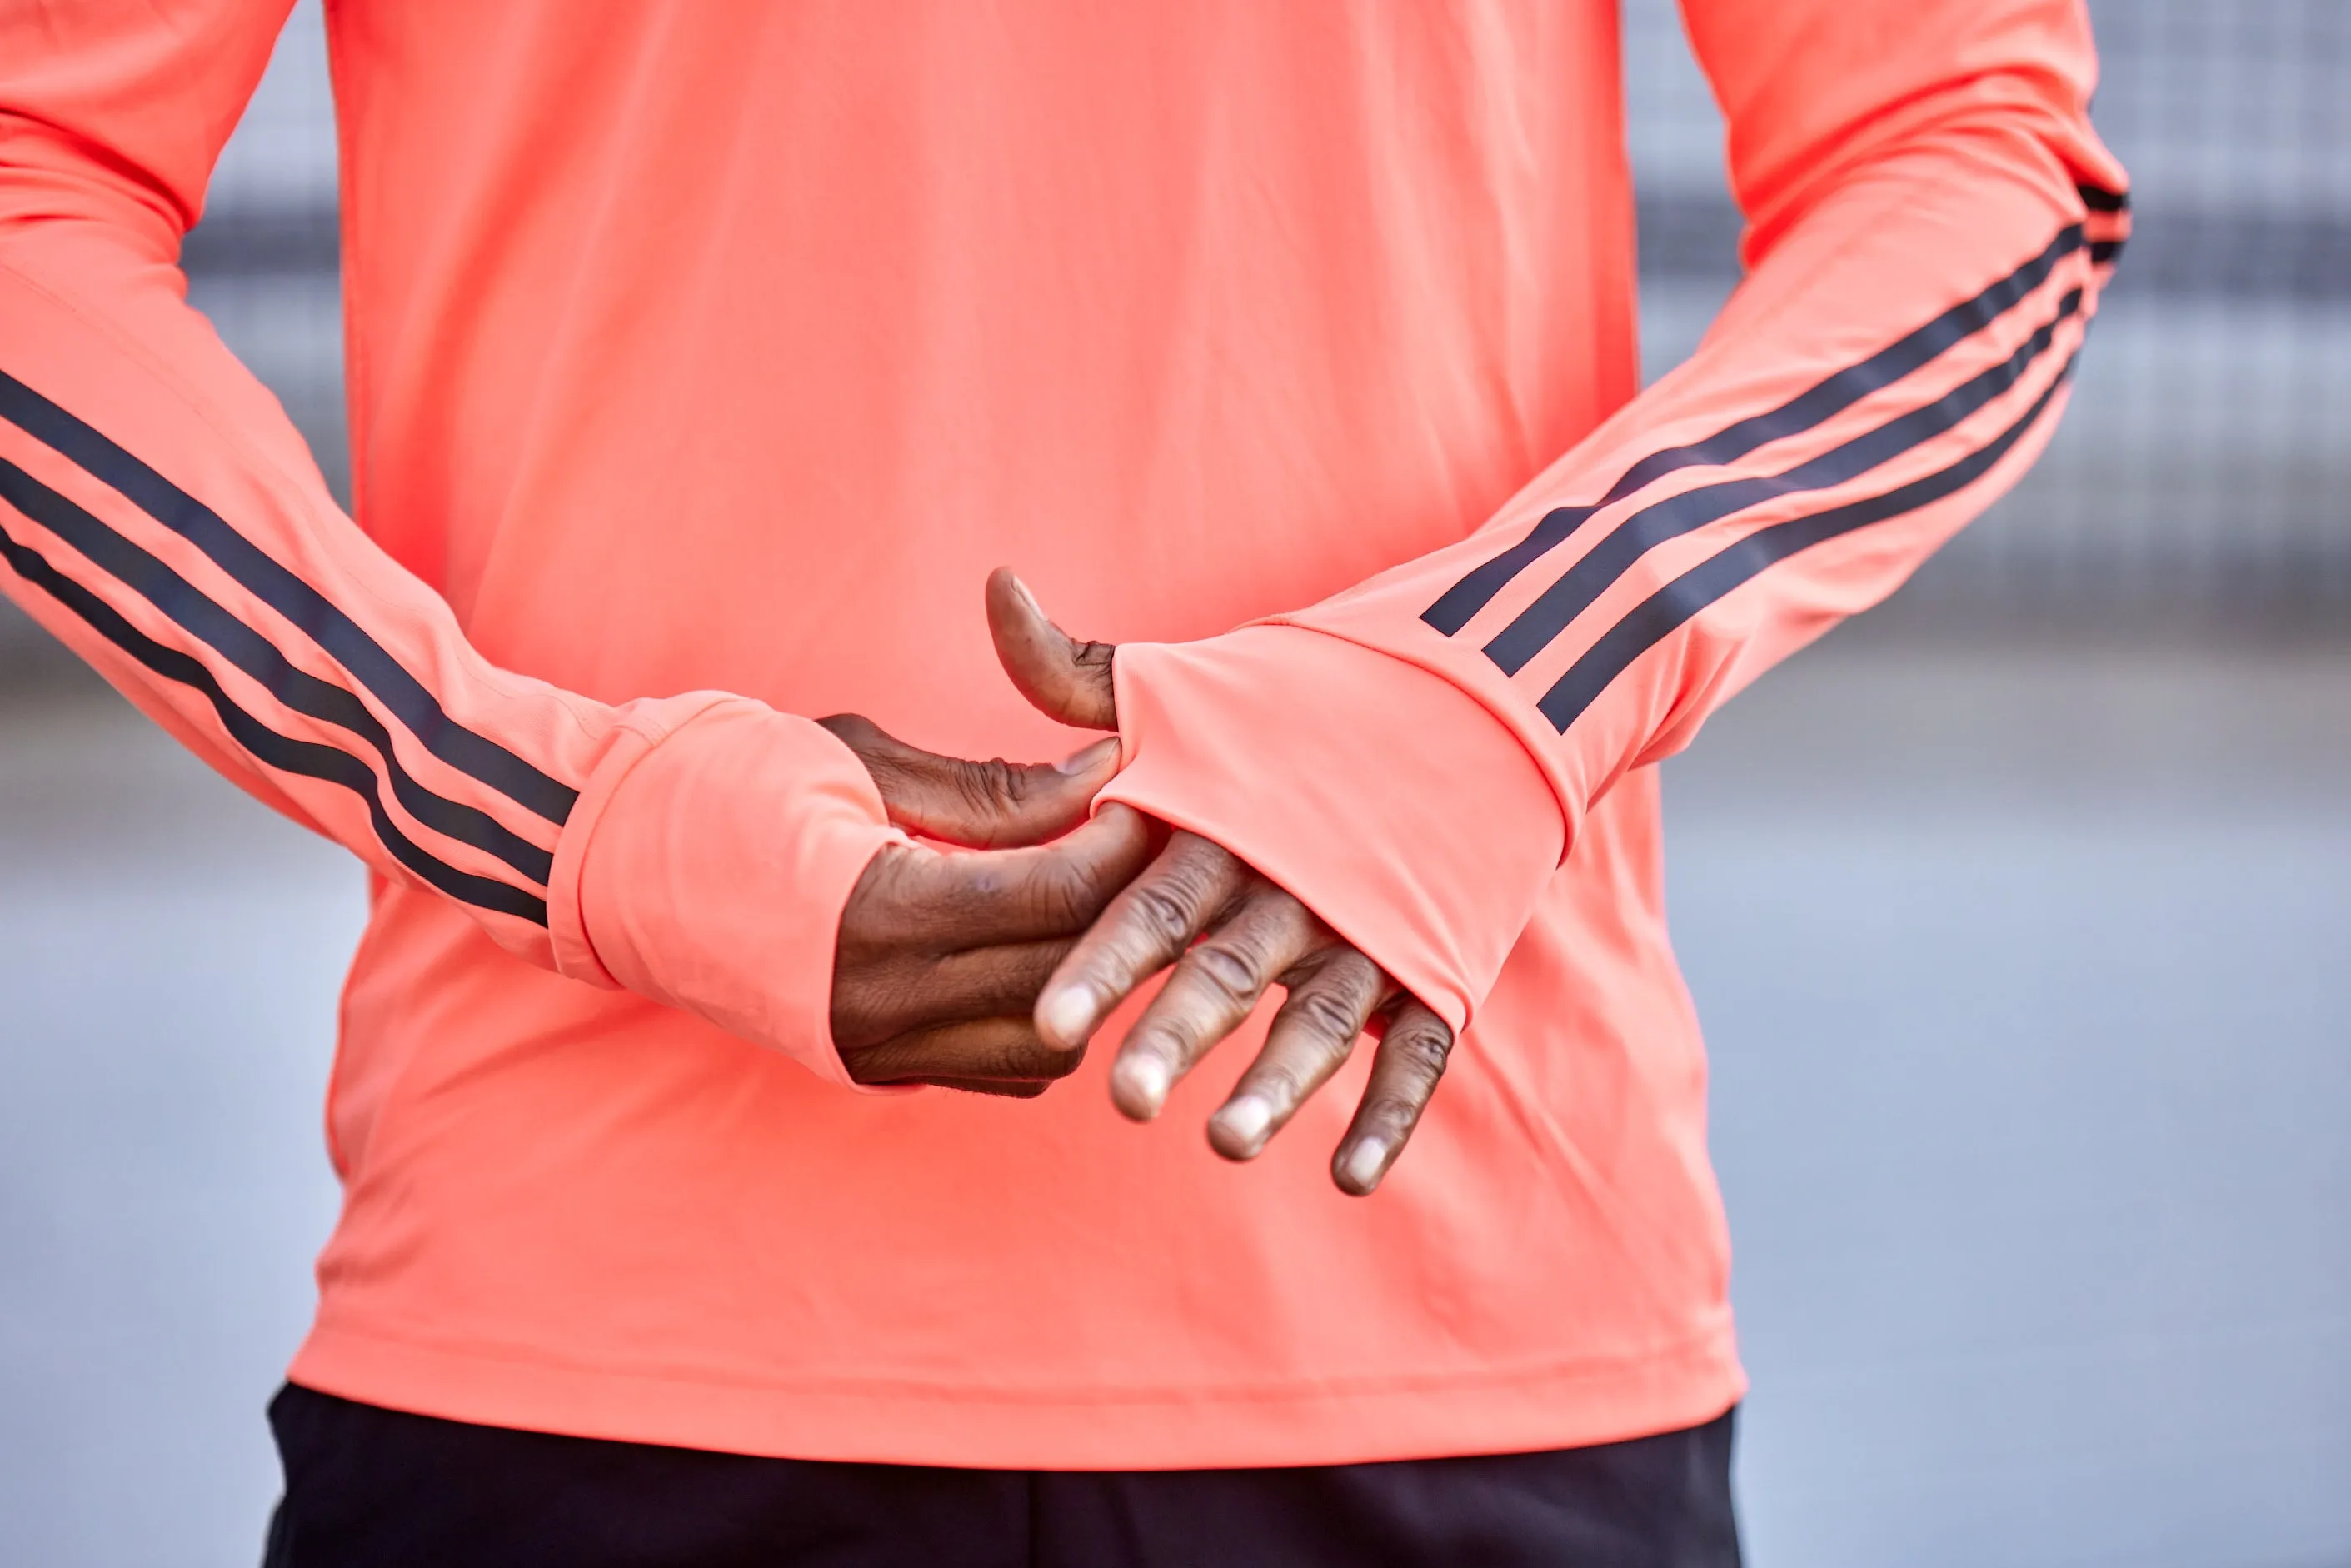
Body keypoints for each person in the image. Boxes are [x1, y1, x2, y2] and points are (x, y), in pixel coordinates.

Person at [0, 1, 2126, 1561]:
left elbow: (1971, 155)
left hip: (1457, 1317)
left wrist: (1491, 690)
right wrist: (561, 814)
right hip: (578, 1334)